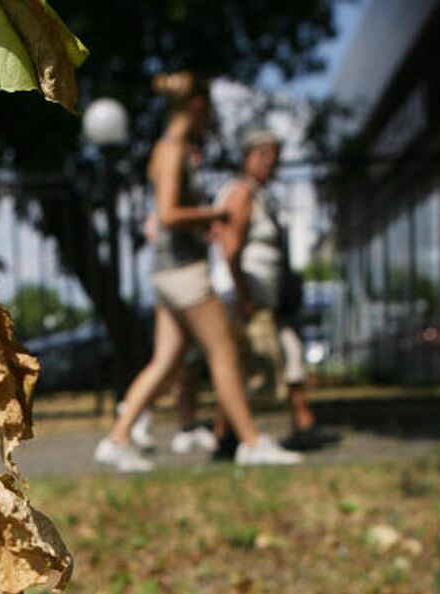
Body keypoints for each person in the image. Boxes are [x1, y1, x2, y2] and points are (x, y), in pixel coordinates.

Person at [94, 72, 301, 473]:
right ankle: (252, 443)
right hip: (184, 272)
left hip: (168, 271)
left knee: (166, 362)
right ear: (198, 106)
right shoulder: (173, 151)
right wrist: (215, 213)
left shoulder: (166, 149)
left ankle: (117, 439)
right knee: (225, 352)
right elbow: (169, 214)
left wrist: (199, 220)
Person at [212, 126, 341, 454]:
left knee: (274, 357)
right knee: (244, 365)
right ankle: (233, 439)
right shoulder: (241, 193)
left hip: (266, 299)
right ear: (246, 158)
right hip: (243, 298)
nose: (270, 162)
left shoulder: (262, 196)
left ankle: (289, 426)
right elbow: (230, 248)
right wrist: (243, 294)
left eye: (275, 155)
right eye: (262, 154)